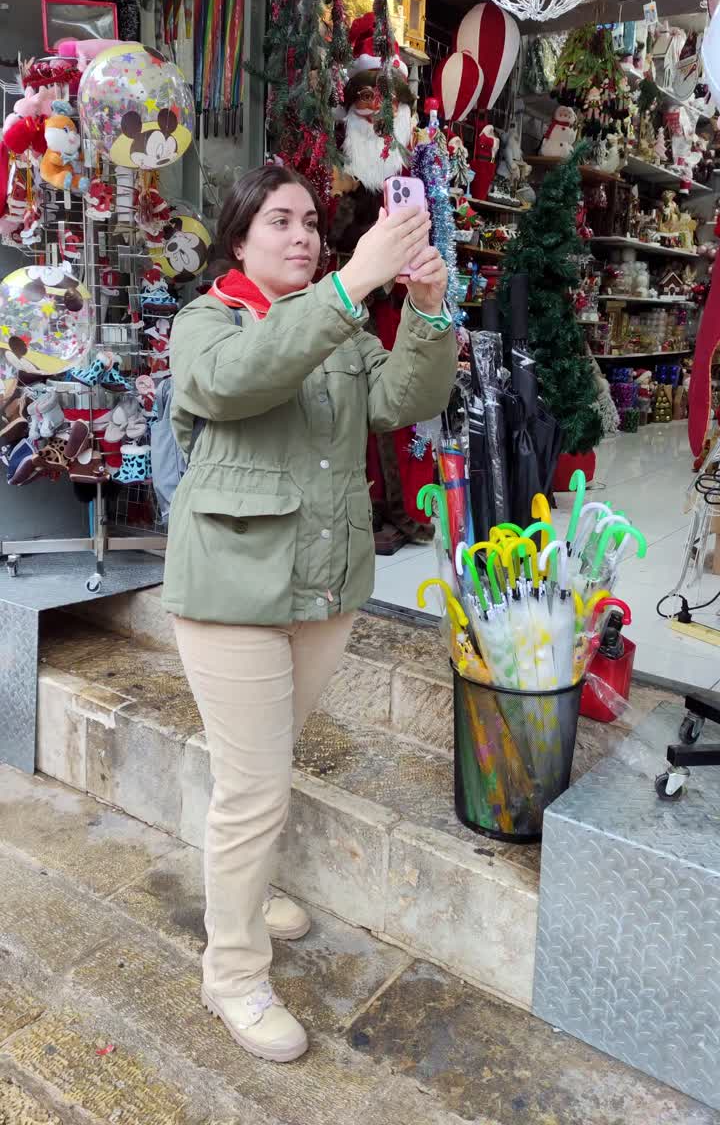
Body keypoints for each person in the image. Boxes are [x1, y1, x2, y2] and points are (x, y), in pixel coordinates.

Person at [163, 163, 457, 1063]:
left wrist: (430, 311)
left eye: (312, 224)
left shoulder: (341, 324)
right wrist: (354, 281)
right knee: (254, 787)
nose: (303, 236)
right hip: (231, 588)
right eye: (280, 221)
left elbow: (405, 401)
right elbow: (238, 381)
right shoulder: (205, 321)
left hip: (322, 582)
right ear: (240, 237)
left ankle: (240, 897)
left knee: (261, 769)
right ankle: (234, 974)